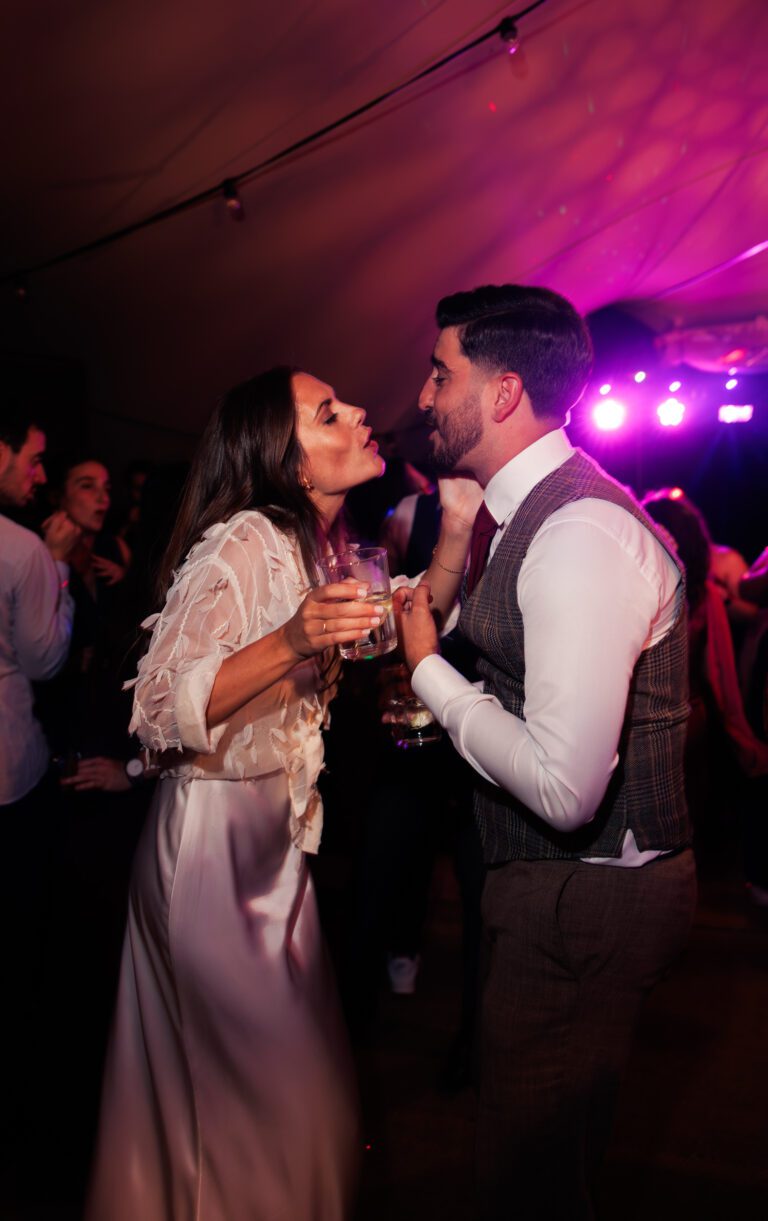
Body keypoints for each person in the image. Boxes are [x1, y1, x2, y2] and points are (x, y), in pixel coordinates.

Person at [86, 366, 477, 1221]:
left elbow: (398, 626)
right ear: (287, 460)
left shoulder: (328, 546)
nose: (362, 413)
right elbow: (156, 707)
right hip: (212, 852)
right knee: (274, 1102)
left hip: (277, 851)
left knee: (290, 1101)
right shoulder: (241, 542)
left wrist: (453, 530)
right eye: (329, 413)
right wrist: (290, 636)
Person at [394, 285, 697, 1220]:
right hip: (559, 881)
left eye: (441, 372)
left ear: (502, 391)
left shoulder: (578, 533)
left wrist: (429, 676)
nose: (424, 392)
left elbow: (567, 790)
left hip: (586, 886)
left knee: (526, 1173)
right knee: (533, 1155)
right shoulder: (518, 512)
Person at [0, 401, 79, 1194]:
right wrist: (57, 566)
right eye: (31, 456)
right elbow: (46, 658)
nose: (40, 473)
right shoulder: (20, 547)